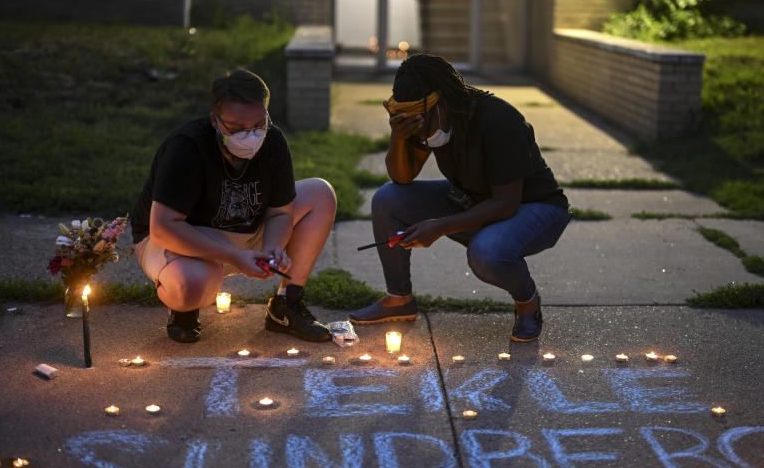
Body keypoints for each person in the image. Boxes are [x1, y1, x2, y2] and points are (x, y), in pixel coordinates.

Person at [349, 54, 571, 343]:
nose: (420, 132)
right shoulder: (429, 120)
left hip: (534, 207)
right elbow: (402, 178)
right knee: (388, 200)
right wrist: (399, 136)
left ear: (442, 103)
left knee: (486, 253)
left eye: (419, 123)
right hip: (474, 200)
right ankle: (398, 299)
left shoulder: (498, 119)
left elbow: (506, 202)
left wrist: (439, 226)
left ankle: (528, 305)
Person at [131, 68, 336, 343]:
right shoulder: (187, 147)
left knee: (320, 194)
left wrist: (272, 248)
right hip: (181, 239)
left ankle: (286, 304)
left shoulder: (273, 141)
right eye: (238, 128)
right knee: (194, 285)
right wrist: (234, 256)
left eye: (259, 125)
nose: (250, 136)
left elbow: (280, 212)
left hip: (243, 230)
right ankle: (185, 309)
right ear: (215, 121)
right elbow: (162, 228)